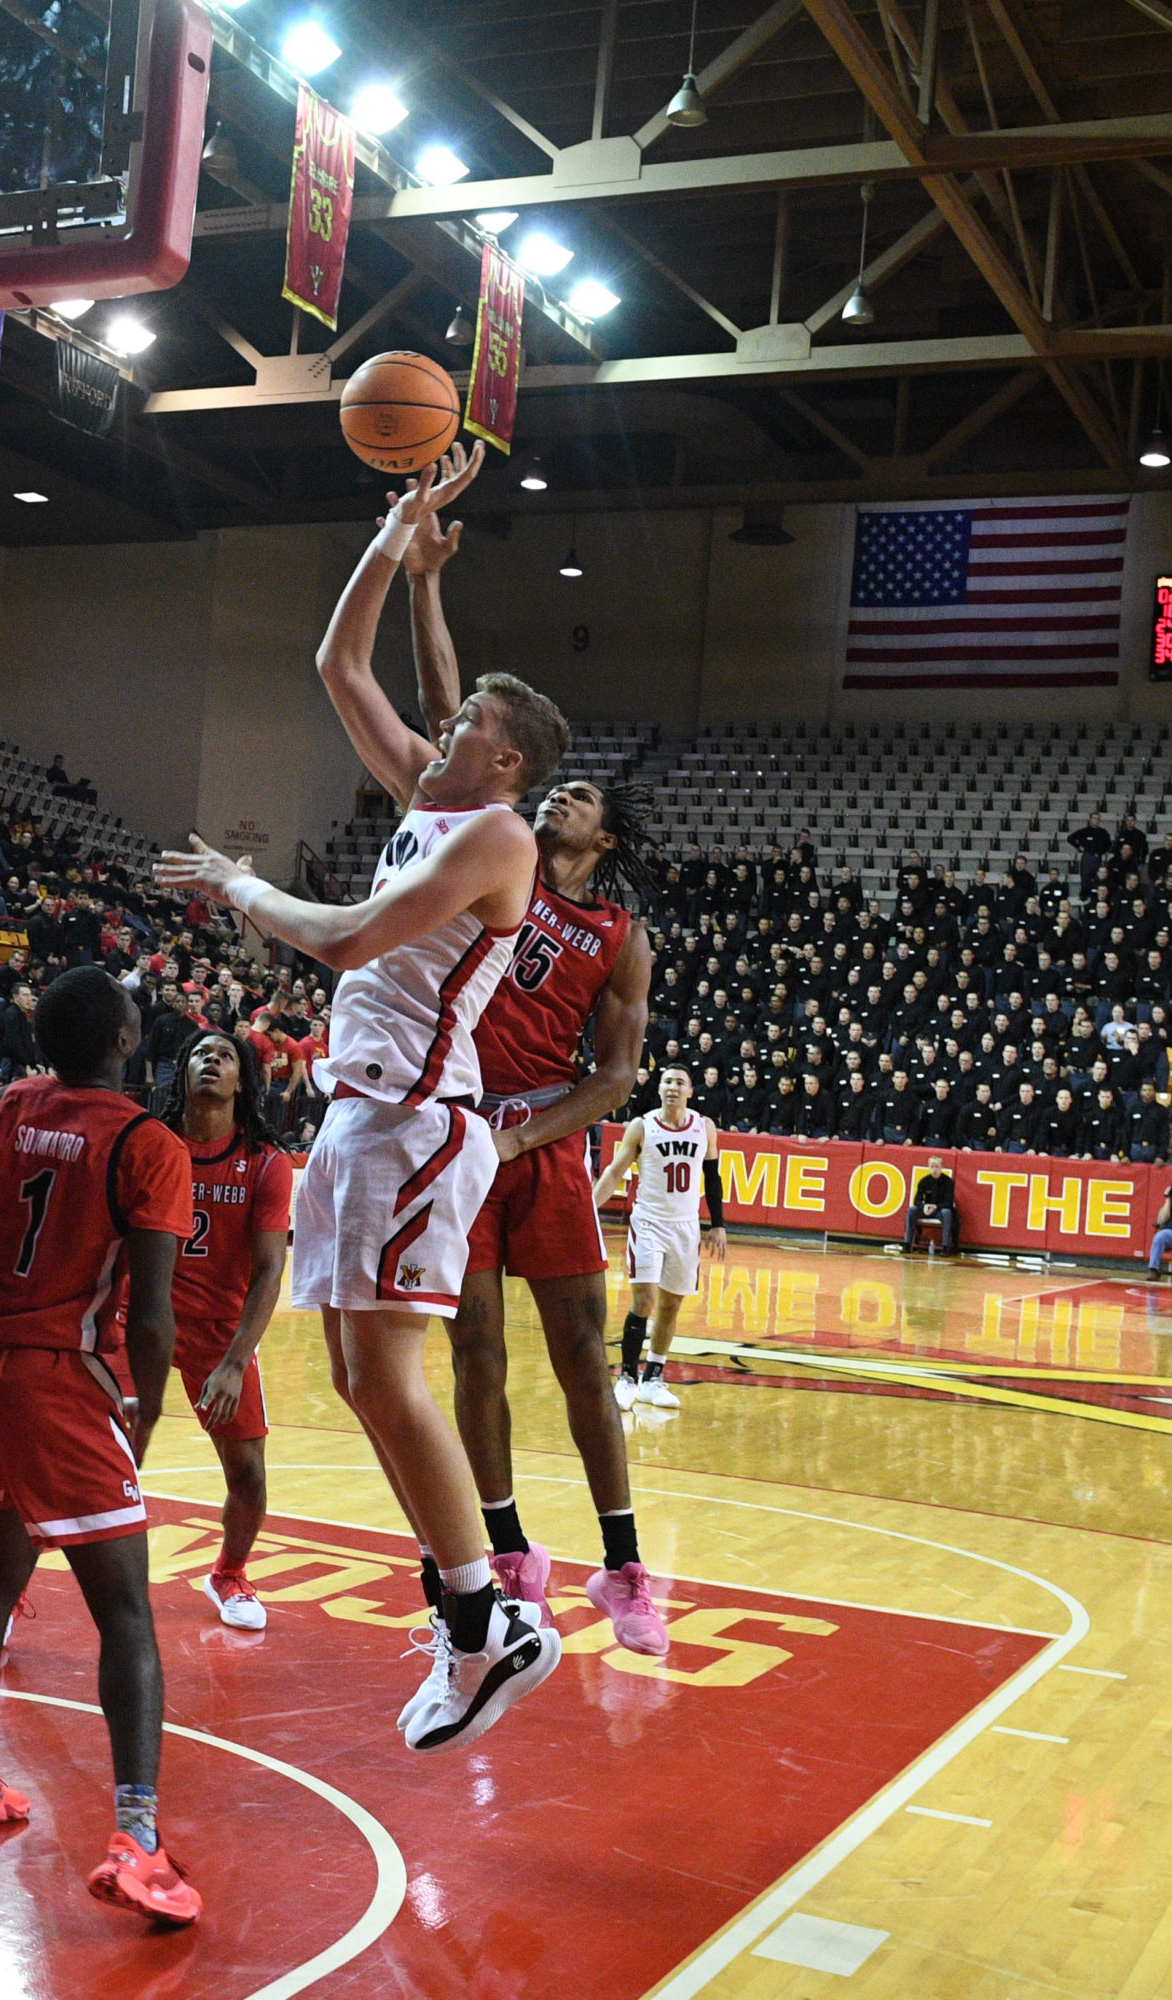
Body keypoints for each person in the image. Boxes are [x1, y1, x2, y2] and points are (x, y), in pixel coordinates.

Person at [156, 466, 567, 1751]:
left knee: (387, 1372)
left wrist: (238, 885)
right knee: (353, 1372)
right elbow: (340, 661)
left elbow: (338, 939)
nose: (435, 732)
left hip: (416, 1120)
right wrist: (391, 542)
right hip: (363, 1118)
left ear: (501, 756)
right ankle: (463, 1617)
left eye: (465, 726)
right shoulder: (430, 803)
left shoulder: (497, 837)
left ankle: (489, 1616)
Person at [400, 487, 667, 1656]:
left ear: (604, 838)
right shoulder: (486, 838)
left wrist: (526, 1130)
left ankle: (625, 1565)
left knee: (578, 1358)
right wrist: (423, 579)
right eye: (559, 782)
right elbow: (449, 709)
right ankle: (508, 1544)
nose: (566, 794)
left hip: (541, 1142)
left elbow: (618, 1079)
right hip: (462, 1126)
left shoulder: (617, 929)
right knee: (472, 1349)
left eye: (586, 796)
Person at [0, 967, 199, 1925]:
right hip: (63, 1381)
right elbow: (151, 1311)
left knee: (0, 1570)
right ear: (120, 1043)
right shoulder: (147, 1142)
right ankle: (139, 1839)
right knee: (126, 1614)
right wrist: (141, 1408)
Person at [145, 1028, 294, 1632]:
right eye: (200, 1053)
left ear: (243, 1081)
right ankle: (12, 1592)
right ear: (181, 1072)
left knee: (250, 1476)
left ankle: (228, 1572)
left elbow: (268, 1271)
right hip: (140, 1318)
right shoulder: (150, 1143)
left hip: (218, 1333)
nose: (211, 1061)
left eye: (225, 1056)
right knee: (85, 1458)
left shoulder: (266, 1161)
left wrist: (236, 1360)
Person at [595, 1068, 725, 1411]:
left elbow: (713, 1178)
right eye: (667, 1081)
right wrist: (588, 1207)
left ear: (690, 1091)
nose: (672, 1087)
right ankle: (626, 1378)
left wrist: (719, 1224)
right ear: (660, 1089)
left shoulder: (704, 1127)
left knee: (671, 1305)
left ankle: (653, 1378)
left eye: (680, 1082)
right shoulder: (642, 1126)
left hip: (686, 1227)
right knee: (645, 1300)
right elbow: (614, 1171)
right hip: (649, 1223)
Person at [905, 1156, 959, 1254]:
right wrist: (923, 1206)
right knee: (911, 1210)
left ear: (942, 1167)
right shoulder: (923, 1181)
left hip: (940, 1210)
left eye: (937, 1167)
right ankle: (907, 1244)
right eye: (932, 1166)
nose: (934, 1169)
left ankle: (946, 1246)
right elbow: (917, 1200)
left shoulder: (948, 1182)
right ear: (929, 1167)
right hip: (927, 1209)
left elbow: (949, 1202)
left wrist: (936, 1207)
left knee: (947, 1212)